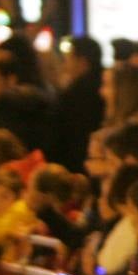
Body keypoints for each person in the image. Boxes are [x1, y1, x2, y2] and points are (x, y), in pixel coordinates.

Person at [53, 35, 105, 173]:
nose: (65, 66)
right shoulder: (106, 86)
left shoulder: (75, 94)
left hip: (78, 164)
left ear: (82, 62)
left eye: (68, 60)